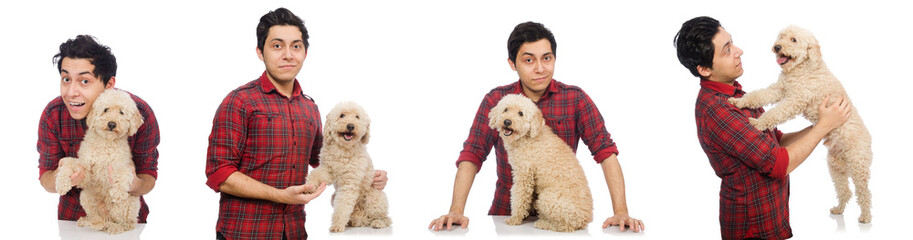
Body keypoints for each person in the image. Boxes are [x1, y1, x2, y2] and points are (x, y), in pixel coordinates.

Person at [429, 21, 644, 232]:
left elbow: (605, 152)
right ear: (513, 64)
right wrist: (456, 210)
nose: (540, 68)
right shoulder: (497, 100)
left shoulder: (575, 98)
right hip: (505, 216)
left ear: (555, 59)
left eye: (546, 58)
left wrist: (621, 210)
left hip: (560, 216)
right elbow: (472, 154)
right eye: (529, 60)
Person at [205, 7, 387, 240]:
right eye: (277, 45)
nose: (288, 54)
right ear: (261, 52)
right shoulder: (239, 101)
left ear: (305, 53)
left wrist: (368, 174)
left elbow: (325, 160)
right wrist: (281, 196)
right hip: (245, 232)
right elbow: (219, 173)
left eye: (296, 46)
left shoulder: (310, 108)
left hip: (294, 232)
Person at [673, 16, 851, 239]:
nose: (739, 51)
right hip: (753, 228)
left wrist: (828, 123)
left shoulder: (736, 94)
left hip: (771, 218)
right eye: (727, 50)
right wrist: (824, 125)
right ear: (705, 69)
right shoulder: (717, 110)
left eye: (733, 42)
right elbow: (778, 164)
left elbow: (777, 140)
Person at [38, 35, 160, 223]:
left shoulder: (138, 112)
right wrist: (64, 175)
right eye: (66, 79)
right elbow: (45, 179)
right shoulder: (53, 114)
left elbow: (149, 176)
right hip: (72, 221)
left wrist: (133, 183)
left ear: (109, 85)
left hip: (125, 222)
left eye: (84, 81)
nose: (71, 92)